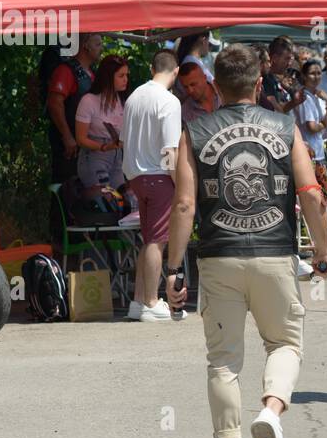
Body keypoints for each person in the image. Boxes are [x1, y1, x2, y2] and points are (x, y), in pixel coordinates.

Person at [163, 43, 327, 438]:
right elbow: (311, 193)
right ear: (259, 83)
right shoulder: (284, 125)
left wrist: (173, 269)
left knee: (223, 361)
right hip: (275, 254)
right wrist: (323, 250)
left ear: (215, 86)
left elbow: (183, 205)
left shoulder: (194, 133)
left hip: (219, 257)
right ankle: (271, 412)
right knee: (284, 344)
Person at [122, 50, 183, 322]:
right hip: (159, 175)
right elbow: (170, 150)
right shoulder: (170, 102)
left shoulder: (133, 97)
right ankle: (151, 302)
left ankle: (138, 301)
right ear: (176, 71)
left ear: (151, 68)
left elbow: (123, 140)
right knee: (157, 242)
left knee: (148, 241)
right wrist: (178, 181)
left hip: (135, 175)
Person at [46, 33, 103, 187]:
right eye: (97, 44)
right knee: (67, 190)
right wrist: (67, 136)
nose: (101, 49)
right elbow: (54, 103)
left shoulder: (92, 73)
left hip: (87, 147)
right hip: (71, 147)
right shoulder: (66, 71)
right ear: (85, 45)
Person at [74, 54, 129, 190]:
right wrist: (103, 147)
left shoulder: (122, 101)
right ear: (109, 77)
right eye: (121, 76)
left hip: (117, 158)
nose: (126, 80)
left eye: (126, 75)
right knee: (105, 199)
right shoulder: (89, 101)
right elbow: (80, 139)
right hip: (94, 157)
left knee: (122, 201)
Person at [293, 58, 327, 206]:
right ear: (304, 76)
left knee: (324, 195)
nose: (316, 76)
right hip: (310, 154)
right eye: (312, 73)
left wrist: (326, 100)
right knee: (323, 196)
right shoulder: (306, 98)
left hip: (317, 152)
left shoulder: (314, 96)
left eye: (318, 73)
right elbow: (312, 127)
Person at [178, 57, 223, 123]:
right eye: (185, 87)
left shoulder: (223, 91)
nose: (190, 90)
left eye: (193, 84)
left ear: (204, 78)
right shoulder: (185, 111)